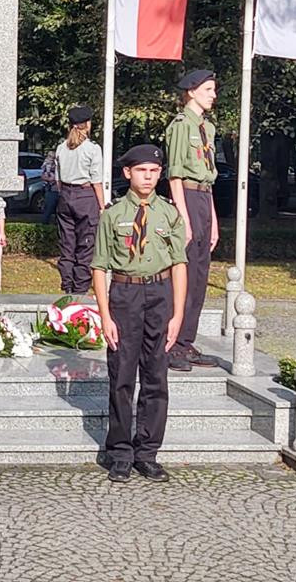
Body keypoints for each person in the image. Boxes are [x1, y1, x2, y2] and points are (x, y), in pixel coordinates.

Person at [91, 144, 187, 484]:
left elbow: (179, 265)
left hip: (159, 294)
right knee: (121, 376)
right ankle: (120, 452)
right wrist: (105, 315)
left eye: (154, 171)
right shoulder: (112, 215)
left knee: (156, 376)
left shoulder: (170, 215)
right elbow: (99, 266)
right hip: (125, 293)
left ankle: (147, 452)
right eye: (141, 171)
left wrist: (178, 315)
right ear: (127, 173)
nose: (148, 177)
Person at [165, 69, 220, 371]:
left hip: (203, 198)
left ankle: (187, 342)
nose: (213, 95)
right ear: (192, 91)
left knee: (200, 276)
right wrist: (184, 217)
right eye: (209, 89)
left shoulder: (206, 128)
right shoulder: (181, 125)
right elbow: (175, 174)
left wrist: (212, 217)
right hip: (185, 197)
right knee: (183, 276)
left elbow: (207, 178)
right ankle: (171, 344)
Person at [55, 105, 105, 294]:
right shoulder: (92, 149)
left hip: (65, 196)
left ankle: (67, 286)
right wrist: (102, 206)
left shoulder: (61, 148)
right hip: (85, 196)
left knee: (67, 245)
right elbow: (96, 181)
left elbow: (58, 180)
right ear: (88, 124)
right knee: (85, 245)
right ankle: (80, 290)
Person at [40, 150, 59, 224]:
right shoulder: (46, 164)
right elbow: (42, 176)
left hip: (58, 190)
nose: (50, 158)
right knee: (48, 210)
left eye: (52, 156)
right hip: (51, 190)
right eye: (49, 156)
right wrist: (50, 179)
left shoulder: (58, 164)